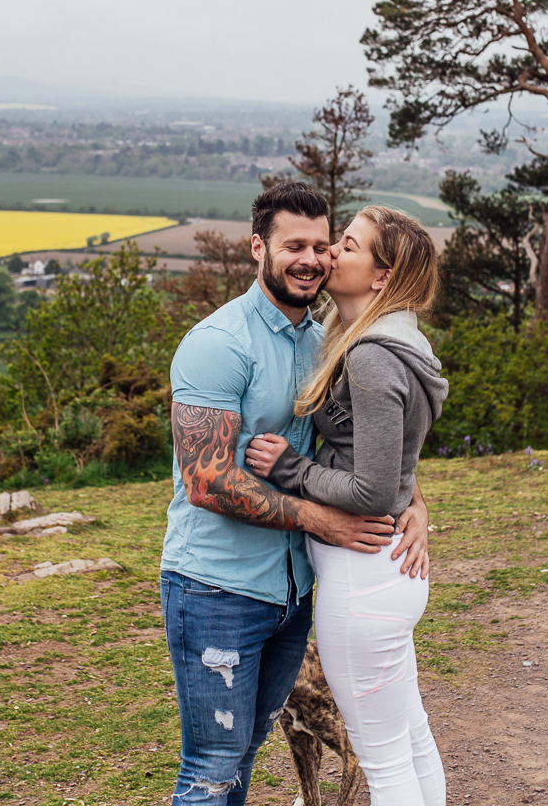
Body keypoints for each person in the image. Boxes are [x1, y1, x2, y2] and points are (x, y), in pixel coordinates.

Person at [161, 181, 431, 806]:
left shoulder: (328, 337)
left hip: (294, 591)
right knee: (212, 763)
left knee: (246, 747)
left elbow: (372, 446)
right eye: (293, 245)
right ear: (259, 247)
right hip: (217, 586)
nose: (311, 258)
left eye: (322, 244)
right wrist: (322, 519)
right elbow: (207, 480)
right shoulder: (217, 345)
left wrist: (413, 504)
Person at [245, 205, 447, 806]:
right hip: (386, 575)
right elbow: (393, 461)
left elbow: (375, 490)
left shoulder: (371, 357)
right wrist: (418, 502)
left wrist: (290, 469)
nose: (332, 255)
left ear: (382, 276)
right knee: (410, 741)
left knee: (383, 763)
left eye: (350, 247)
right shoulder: (391, 341)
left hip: (364, 580)